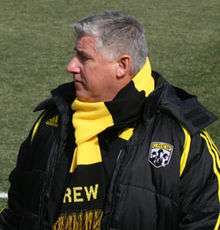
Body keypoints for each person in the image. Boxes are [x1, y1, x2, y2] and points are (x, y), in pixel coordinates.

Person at [0, 11, 219, 230]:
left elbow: (207, 221)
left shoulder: (183, 139)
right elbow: (17, 215)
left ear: (122, 66)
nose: (71, 66)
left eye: (84, 58)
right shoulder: (51, 123)